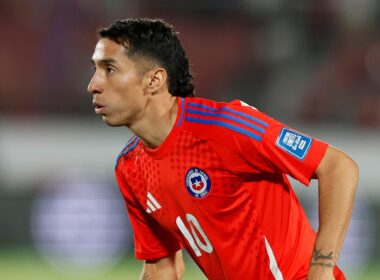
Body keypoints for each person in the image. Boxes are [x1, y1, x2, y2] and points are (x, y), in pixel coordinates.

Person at [87, 18, 358, 280]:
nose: (93, 85)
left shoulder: (225, 127)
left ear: (154, 80)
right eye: (96, 70)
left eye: (109, 69)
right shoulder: (130, 166)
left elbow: (338, 167)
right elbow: (162, 269)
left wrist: (322, 269)